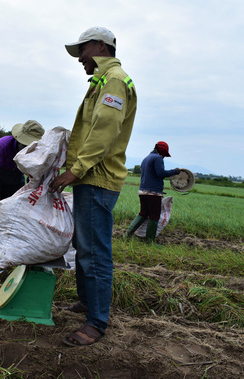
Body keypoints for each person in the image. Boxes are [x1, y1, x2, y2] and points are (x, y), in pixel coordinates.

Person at [49, 27, 137, 347]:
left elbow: (104, 130)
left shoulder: (114, 80)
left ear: (101, 46)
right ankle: (87, 303)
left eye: (82, 51)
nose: (80, 59)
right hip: (90, 178)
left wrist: (76, 170)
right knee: (84, 247)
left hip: (97, 179)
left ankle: (96, 323)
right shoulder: (102, 81)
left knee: (95, 252)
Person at [0, 120, 45, 255]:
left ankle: (9, 242)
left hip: (15, 174)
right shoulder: (3, 145)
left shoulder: (36, 151)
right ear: (19, 139)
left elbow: (32, 174)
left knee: (15, 208)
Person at [125, 142, 180, 243]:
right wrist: (174, 171)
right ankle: (150, 242)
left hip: (142, 191)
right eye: (164, 154)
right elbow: (160, 173)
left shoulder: (146, 158)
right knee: (154, 216)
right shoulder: (158, 158)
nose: (164, 157)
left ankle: (126, 235)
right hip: (153, 193)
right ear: (162, 152)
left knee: (143, 213)